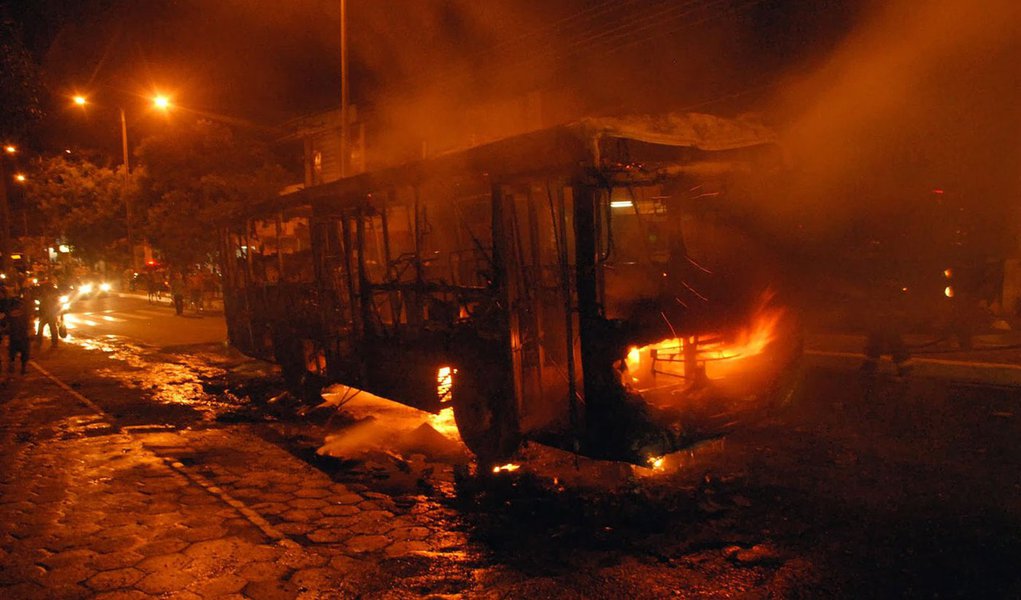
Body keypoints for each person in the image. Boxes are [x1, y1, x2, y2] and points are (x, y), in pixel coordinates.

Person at [5, 297, 31, 374]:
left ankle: (12, 365)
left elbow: (6, 325)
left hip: (14, 336)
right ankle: (23, 369)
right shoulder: (24, 315)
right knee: (24, 353)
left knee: (12, 352)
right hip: (23, 336)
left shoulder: (9, 315)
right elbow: (28, 325)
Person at [35, 279, 61, 348]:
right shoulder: (53, 291)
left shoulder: (44, 292)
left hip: (46, 313)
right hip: (50, 313)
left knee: (42, 328)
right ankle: (54, 343)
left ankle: (39, 342)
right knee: (52, 328)